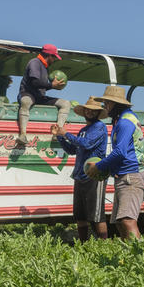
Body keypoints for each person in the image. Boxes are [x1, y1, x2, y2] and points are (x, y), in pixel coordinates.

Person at [85, 86, 144, 240]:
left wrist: (99, 166)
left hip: (131, 177)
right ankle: (129, 256)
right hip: (125, 177)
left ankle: (140, 257)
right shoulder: (122, 120)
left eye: (107, 103)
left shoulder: (125, 122)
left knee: (127, 220)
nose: (105, 107)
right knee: (120, 222)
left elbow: (120, 152)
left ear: (116, 104)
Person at [51, 97, 109, 241]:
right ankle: (84, 244)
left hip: (94, 175)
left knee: (97, 215)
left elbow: (87, 144)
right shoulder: (83, 130)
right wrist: (60, 137)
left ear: (97, 113)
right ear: (84, 112)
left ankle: (105, 245)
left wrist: (65, 134)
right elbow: (72, 150)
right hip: (80, 175)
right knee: (80, 215)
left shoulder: (100, 127)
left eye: (93, 110)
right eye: (87, 109)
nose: (89, 112)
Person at [17, 44, 71, 144]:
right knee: (26, 102)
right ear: (49, 55)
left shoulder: (45, 67)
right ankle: (23, 135)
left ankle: (57, 134)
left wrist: (53, 86)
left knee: (66, 104)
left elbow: (42, 87)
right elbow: (35, 83)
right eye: (54, 57)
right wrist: (52, 85)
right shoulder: (35, 63)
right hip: (28, 93)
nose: (54, 60)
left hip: (39, 96)